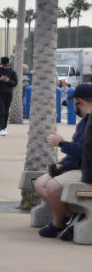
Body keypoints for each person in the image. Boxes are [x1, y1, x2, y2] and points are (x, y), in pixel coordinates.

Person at [33, 83, 92, 240]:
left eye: (73, 102)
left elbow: (86, 152)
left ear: (79, 102)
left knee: (53, 186)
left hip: (87, 172)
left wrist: (61, 143)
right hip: (79, 168)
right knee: (40, 183)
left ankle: (57, 224)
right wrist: (62, 165)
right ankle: (70, 216)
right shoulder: (83, 123)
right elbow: (79, 152)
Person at [0, 56, 18, 136]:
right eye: (4, 64)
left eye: (5, 64)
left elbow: (15, 83)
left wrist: (8, 80)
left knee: (6, 111)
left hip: (8, 94)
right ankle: (1, 128)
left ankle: (5, 127)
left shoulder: (12, 72)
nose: (5, 66)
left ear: (8, 63)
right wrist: (0, 79)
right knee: (1, 111)